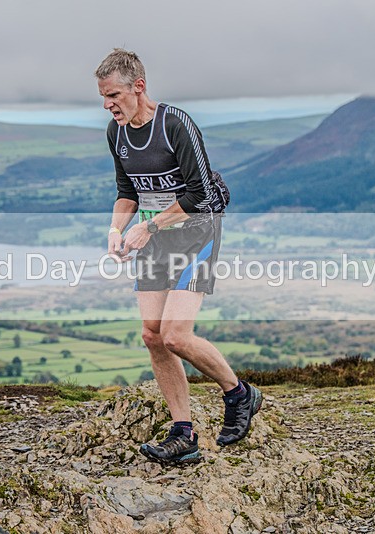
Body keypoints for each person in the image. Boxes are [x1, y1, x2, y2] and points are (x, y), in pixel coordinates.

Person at [95, 48, 262, 464]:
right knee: (152, 335)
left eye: (113, 95)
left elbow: (201, 193)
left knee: (175, 334)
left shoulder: (175, 125)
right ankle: (183, 432)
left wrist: (148, 226)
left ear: (139, 87)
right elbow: (127, 191)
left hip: (195, 234)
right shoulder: (116, 133)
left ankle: (239, 394)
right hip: (153, 241)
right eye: (103, 97)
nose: (107, 104)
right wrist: (116, 230)